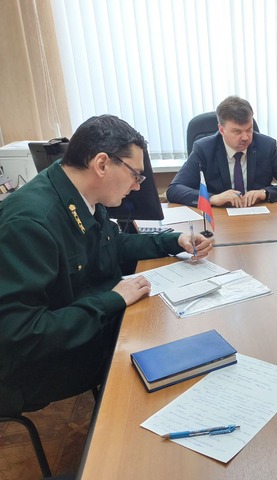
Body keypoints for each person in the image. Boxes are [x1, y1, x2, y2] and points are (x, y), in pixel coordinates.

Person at [0, 114, 212, 416]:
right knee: (161, 347)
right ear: (101, 164)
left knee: (171, 326)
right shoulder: (30, 223)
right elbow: (21, 335)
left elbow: (113, 244)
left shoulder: (77, 192)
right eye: (135, 175)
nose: (137, 186)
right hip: (38, 367)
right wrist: (111, 300)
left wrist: (173, 241)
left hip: (80, 327)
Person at [166, 96, 277, 208]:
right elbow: (174, 190)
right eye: (237, 132)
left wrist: (265, 193)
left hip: (259, 218)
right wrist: (212, 198)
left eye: (249, 129)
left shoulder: (266, 146)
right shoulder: (204, 149)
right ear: (221, 130)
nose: (245, 137)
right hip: (220, 220)